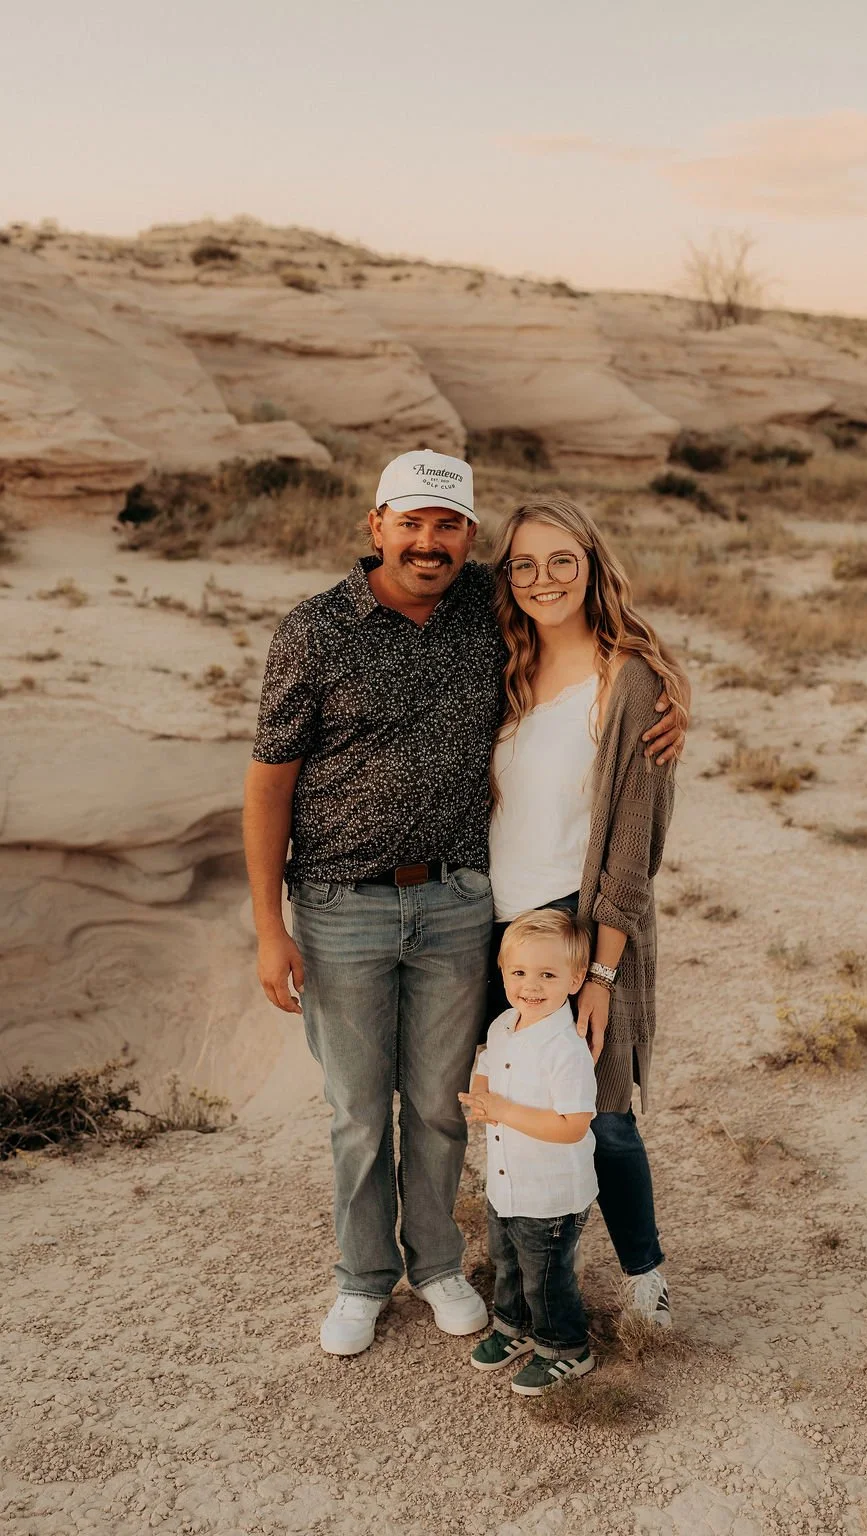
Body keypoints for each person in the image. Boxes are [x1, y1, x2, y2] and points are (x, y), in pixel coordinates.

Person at [243, 450, 685, 1359]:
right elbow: (267, 785)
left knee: (526, 1104)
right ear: (376, 526)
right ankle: (387, 1279)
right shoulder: (349, 628)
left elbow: (593, 626)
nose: (428, 542)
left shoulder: (544, 635)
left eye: (447, 526)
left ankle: (515, 1268)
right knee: (394, 1108)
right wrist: (267, 926)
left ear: (468, 537)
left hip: (510, 914)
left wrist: (676, 693)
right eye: (410, 522)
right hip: (401, 912)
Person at [487, 496, 689, 1328]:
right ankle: (538, 1277)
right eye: (526, 564)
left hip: (579, 921)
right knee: (520, 1101)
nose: (545, 580)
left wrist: (601, 970)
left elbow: (632, 845)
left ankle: (646, 1276)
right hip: (494, 923)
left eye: (562, 560)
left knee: (602, 1111)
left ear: (593, 564)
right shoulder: (498, 664)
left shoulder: (629, 678)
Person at [459, 908, 598, 1395]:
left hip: (552, 1192)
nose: (531, 986)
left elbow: (573, 1127)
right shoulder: (503, 1026)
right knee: (507, 1259)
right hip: (507, 1181)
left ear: (576, 978)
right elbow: (486, 1064)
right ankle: (513, 1328)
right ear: (502, 971)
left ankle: (565, 1348)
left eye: (547, 974)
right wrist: (481, 1096)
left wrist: (504, 1109)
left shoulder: (566, 1048)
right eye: (519, 972)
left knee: (545, 1274)